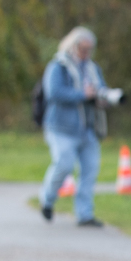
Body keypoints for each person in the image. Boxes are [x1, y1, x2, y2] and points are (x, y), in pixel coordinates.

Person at [39, 26, 107, 227]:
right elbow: (54, 92)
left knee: (90, 171)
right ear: (73, 45)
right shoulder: (58, 66)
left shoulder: (92, 68)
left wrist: (104, 97)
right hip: (62, 128)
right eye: (83, 48)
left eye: (90, 49)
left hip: (88, 128)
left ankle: (85, 215)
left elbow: (101, 88)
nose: (86, 52)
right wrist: (82, 95)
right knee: (64, 165)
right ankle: (47, 199)